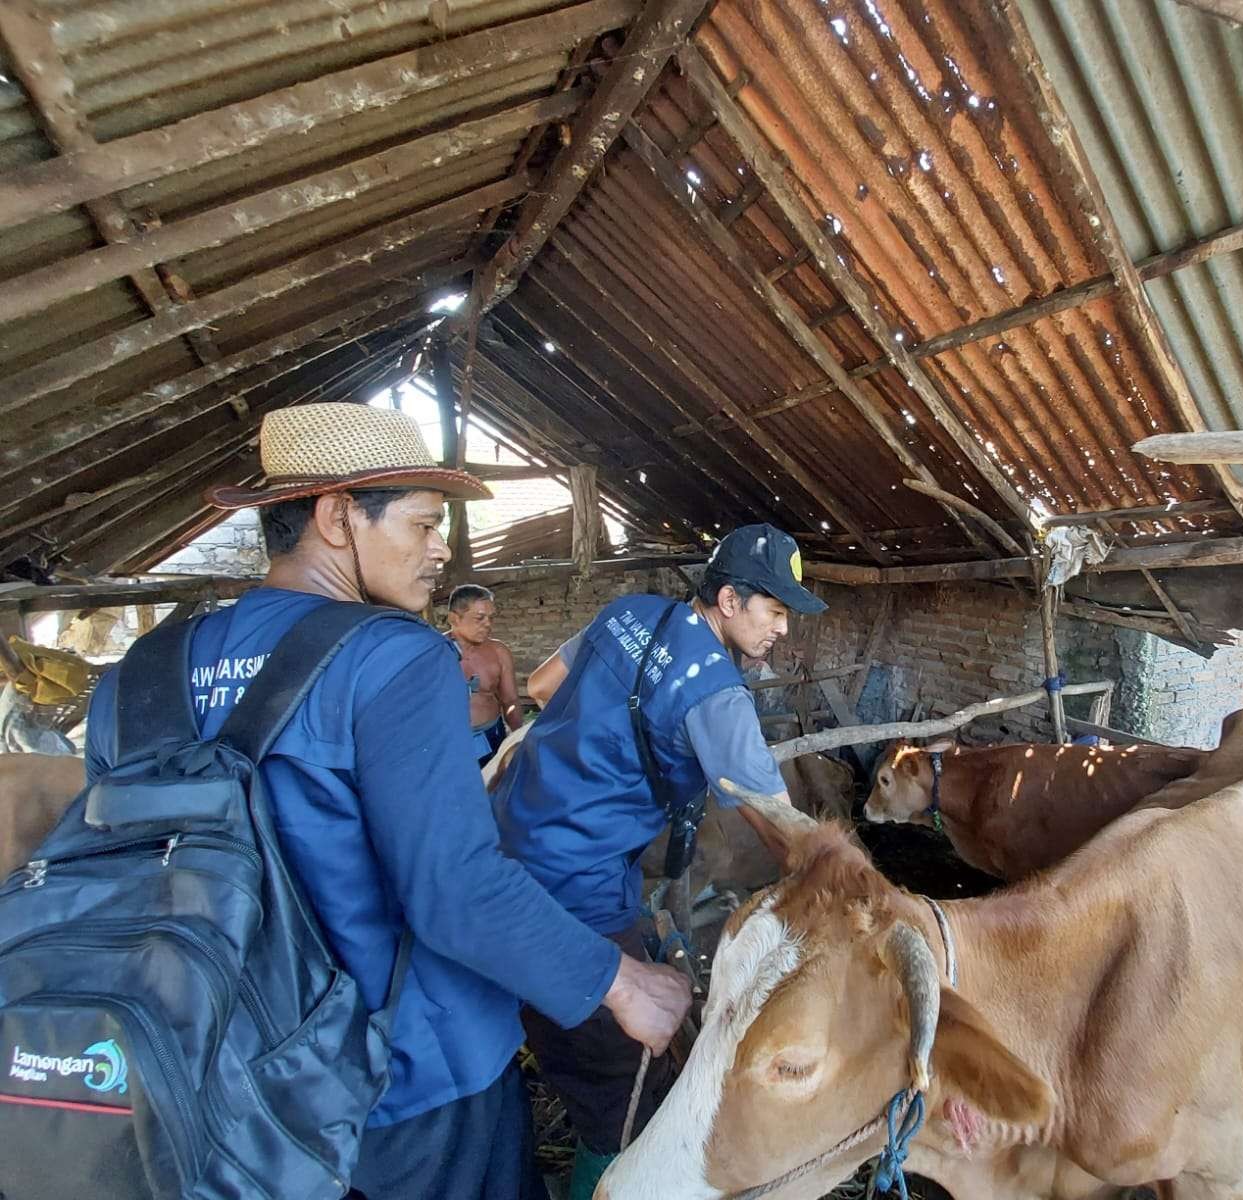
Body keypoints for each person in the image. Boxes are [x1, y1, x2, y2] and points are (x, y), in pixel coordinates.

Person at [83, 404, 691, 1200]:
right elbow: (454, 888)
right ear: (337, 516)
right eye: (425, 523)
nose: (442, 549)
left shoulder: (136, 675)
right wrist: (621, 981)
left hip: (208, 1079)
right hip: (405, 1085)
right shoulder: (393, 658)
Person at [494, 523, 825, 1199]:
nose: (783, 631)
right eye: (776, 611)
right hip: (576, 884)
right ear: (730, 600)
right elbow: (780, 826)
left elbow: (542, 684)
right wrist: (839, 892)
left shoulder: (631, 612)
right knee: (622, 1083)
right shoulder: (717, 695)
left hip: (501, 833)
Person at [444, 583, 522, 765]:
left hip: (491, 735)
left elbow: (510, 701)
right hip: (448, 741)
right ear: (454, 618)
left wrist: (519, 737)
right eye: (480, 618)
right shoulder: (434, 653)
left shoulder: (499, 652)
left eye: (490, 618)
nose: (488, 624)